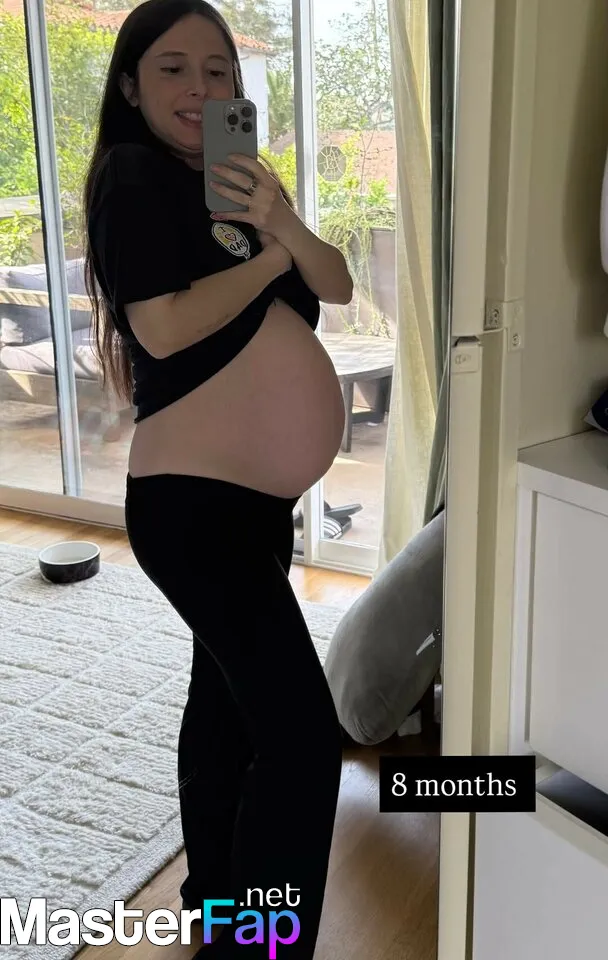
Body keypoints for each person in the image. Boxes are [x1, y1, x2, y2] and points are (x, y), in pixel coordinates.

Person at [83, 0, 353, 955]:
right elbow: (162, 326)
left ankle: (218, 904)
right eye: (173, 69)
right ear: (131, 86)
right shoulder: (133, 177)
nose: (200, 89)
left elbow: (335, 285)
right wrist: (270, 256)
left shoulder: (237, 188)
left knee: (229, 708)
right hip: (192, 507)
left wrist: (278, 220)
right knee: (302, 739)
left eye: (218, 71)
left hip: (251, 506)